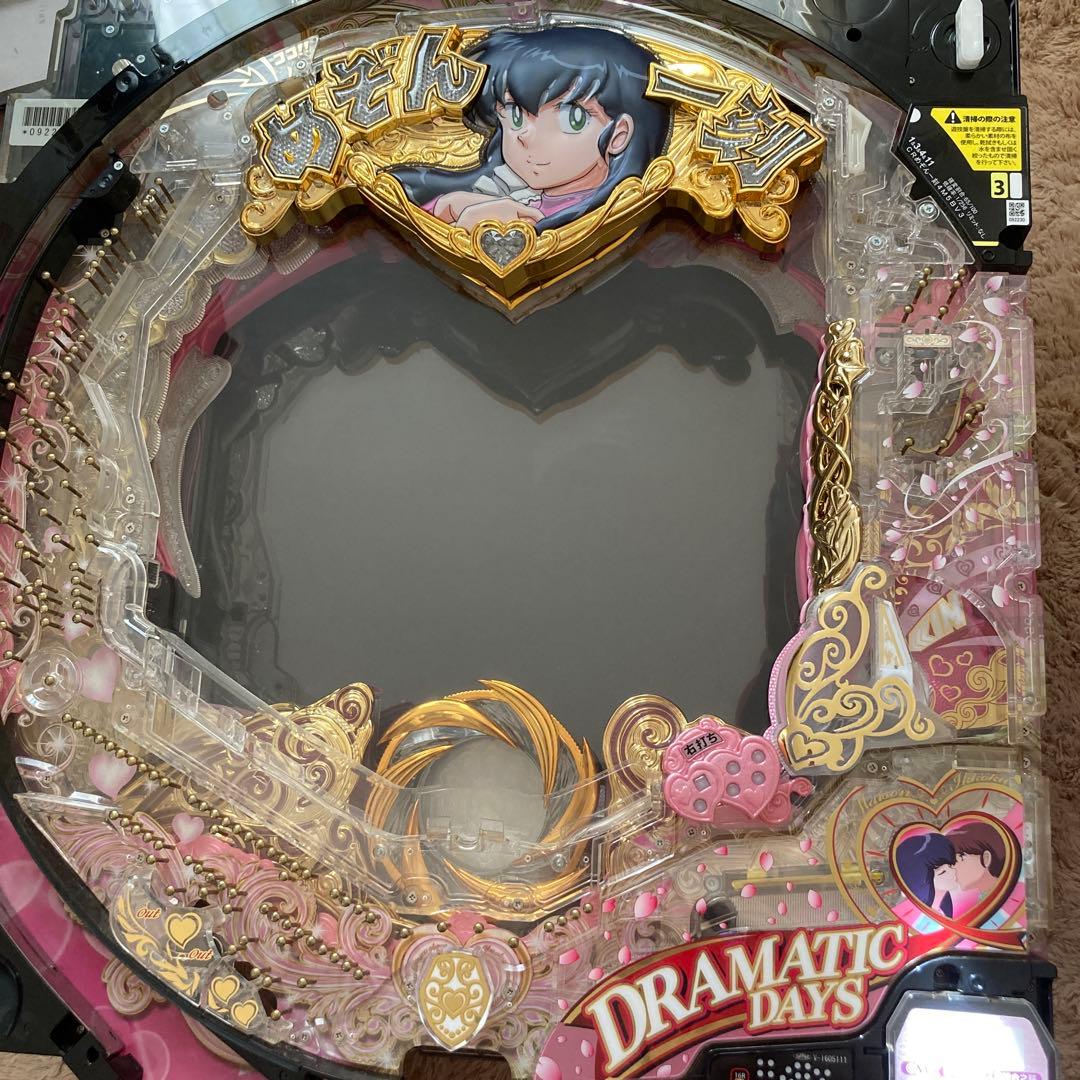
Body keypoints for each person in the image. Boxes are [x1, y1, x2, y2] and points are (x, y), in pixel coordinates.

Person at [392, 26, 671, 233]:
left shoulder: (601, 215)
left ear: (618, 135)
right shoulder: (509, 197)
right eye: (515, 115)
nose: (525, 136)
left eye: (572, 118)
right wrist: (444, 208)